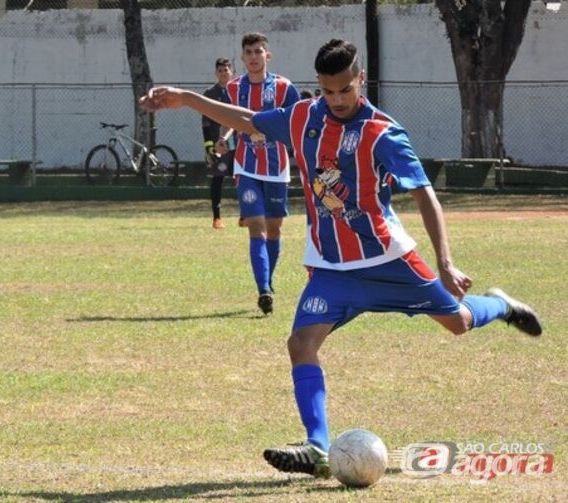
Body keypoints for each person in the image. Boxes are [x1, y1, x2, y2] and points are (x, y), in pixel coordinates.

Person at [139, 38, 542, 478]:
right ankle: (317, 447)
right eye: (329, 91)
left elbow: (425, 193)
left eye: (345, 90)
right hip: (332, 268)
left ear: (360, 79)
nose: (337, 100)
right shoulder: (301, 116)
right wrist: (188, 99)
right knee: (300, 344)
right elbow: (249, 119)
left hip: (389, 260)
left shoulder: (382, 132)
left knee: (459, 323)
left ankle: (500, 303)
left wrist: (445, 262)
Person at [214, 32, 301, 314]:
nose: (253, 56)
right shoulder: (234, 88)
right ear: (243, 58)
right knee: (256, 226)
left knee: (274, 228)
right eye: (249, 52)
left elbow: (296, 122)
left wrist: (299, 150)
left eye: (258, 51)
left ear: (268, 55)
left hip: (277, 168)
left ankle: (268, 279)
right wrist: (224, 136)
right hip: (247, 166)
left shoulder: (284, 88)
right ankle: (263, 289)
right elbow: (229, 117)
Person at [202, 58, 235, 230]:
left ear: (231, 72)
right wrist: (209, 147)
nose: (223, 73)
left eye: (226, 70)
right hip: (219, 144)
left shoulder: (238, 91)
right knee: (218, 178)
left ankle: (245, 215)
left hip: (237, 142)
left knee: (243, 178)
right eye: (220, 70)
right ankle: (217, 217)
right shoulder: (210, 94)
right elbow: (206, 122)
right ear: (216, 73)